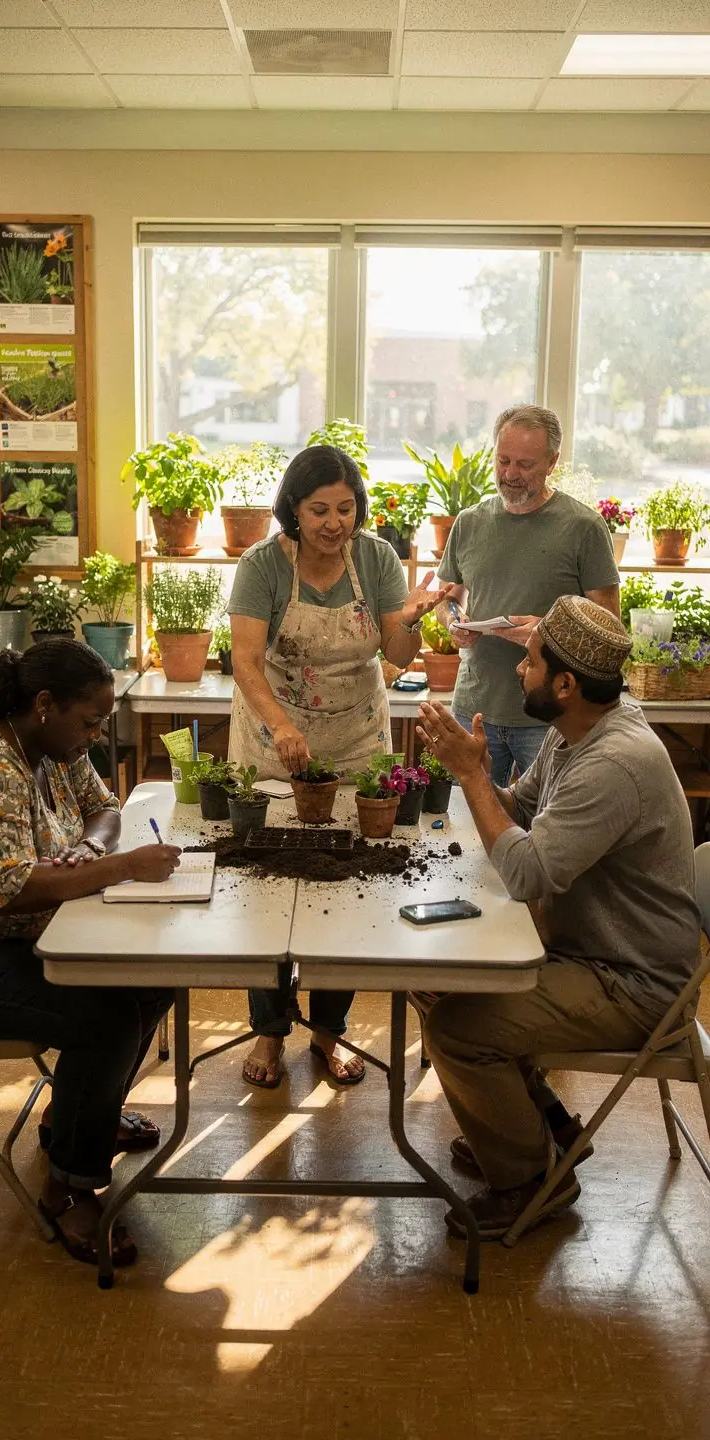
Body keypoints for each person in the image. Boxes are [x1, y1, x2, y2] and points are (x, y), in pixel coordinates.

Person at [416, 596, 701, 1240]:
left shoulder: (613, 763)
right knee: (433, 975)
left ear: (566, 685)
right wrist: (482, 770)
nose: (520, 671)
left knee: (461, 1027)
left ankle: (530, 1182)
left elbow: (526, 873)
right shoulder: (578, 730)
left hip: (634, 983)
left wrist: (470, 779)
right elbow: (521, 811)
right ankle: (546, 1125)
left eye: (532, 661)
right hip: (590, 954)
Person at [0, 640, 182, 1268]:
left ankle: (75, 1120)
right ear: (45, 704)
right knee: (104, 1019)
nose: (97, 732)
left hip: (18, 939)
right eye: (90, 720)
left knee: (157, 978)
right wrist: (118, 867)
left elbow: (105, 807)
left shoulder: (52, 747)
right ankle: (71, 1186)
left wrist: (86, 846)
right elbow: (11, 889)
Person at [228, 443, 440, 1088]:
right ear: (293, 507)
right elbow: (244, 660)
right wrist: (284, 725)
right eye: (319, 509)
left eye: (345, 509)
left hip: (354, 737)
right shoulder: (263, 564)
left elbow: (399, 653)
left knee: (350, 886)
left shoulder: (374, 558)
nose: (333, 522)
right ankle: (268, 1033)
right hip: (274, 737)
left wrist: (410, 621)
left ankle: (328, 1032)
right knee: (267, 887)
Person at [432, 404, 620, 786]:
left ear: (551, 462)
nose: (510, 475)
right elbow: (447, 598)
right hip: (474, 708)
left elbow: (611, 627)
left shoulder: (584, 527)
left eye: (524, 464)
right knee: (461, 828)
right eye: (503, 461)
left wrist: (544, 632)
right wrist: (453, 621)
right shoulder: (469, 522)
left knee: (545, 830)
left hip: (550, 717)